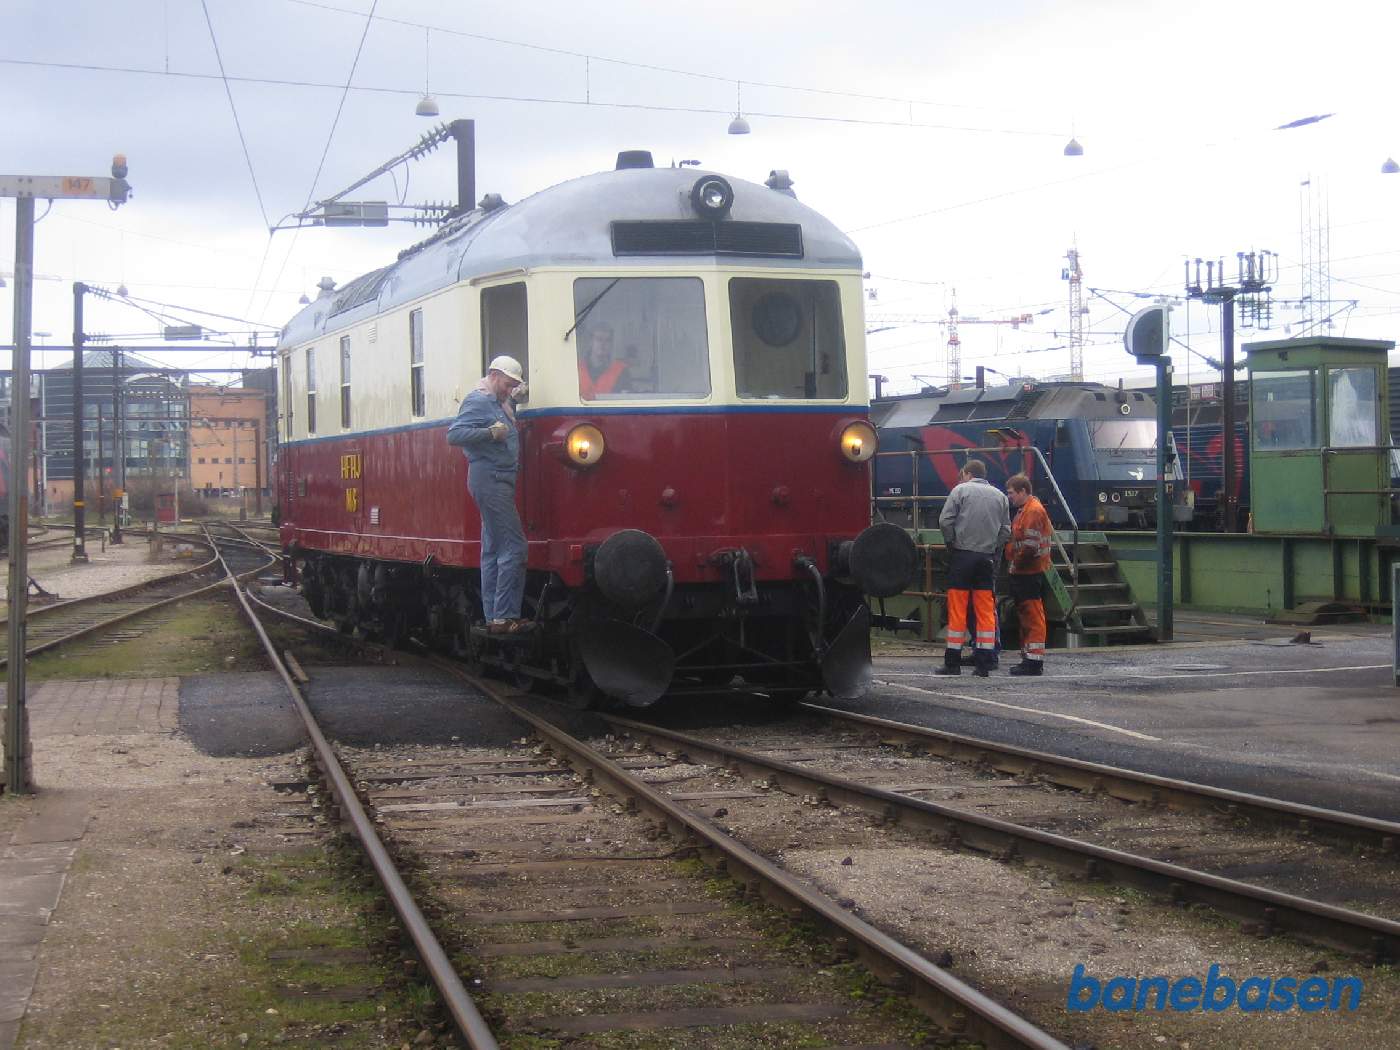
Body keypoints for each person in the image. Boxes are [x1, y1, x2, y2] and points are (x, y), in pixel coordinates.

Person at [446, 356, 532, 634]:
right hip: (491, 478)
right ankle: (505, 616)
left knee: (493, 549)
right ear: (494, 376)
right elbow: (454, 434)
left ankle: (494, 617)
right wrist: (488, 434)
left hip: (495, 479)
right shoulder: (479, 400)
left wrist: (518, 394)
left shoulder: (498, 401)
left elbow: (507, 402)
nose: (510, 390)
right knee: (514, 546)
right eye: (508, 384)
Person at [937, 459, 1011, 677]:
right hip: (986, 559)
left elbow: (945, 521)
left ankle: (952, 664)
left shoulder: (960, 491)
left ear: (967, 473)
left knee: (958, 609)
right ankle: (984, 664)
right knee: (985, 611)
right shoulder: (1000, 496)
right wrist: (991, 546)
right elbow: (1006, 530)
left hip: (962, 557)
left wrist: (952, 543)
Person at [1005, 473, 1052, 676]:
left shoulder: (1032, 512)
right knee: (1027, 614)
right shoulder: (1026, 510)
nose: (1009, 497)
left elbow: (1030, 546)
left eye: (1011, 493)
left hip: (1028, 571)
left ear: (1023, 491)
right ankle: (1029, 658)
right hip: (1026, 571)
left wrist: (1015, 564)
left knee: (1032, 616)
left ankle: (1033, 661)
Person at [579, 324, 627, 399]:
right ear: (591, 342)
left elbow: (625, 401)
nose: (603, 344)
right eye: (599, 339)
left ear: (611, 344)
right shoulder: (577, 369)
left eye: (607, 340)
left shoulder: (622, 371)